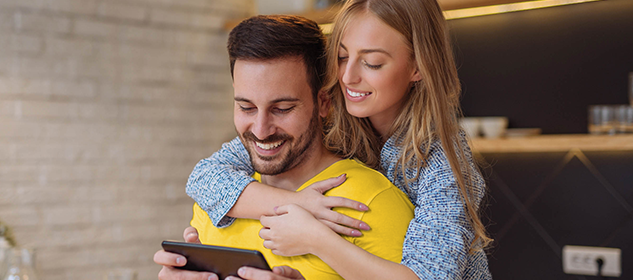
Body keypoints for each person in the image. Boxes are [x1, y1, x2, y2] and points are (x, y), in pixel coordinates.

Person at [185, 0, 493, 279]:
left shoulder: (441, 161)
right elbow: (205, 177)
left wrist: (315, 237)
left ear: (418, 67)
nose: (347, 78)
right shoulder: (329, 118)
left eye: (372, 62)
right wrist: (296, 203)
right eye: (343, 57)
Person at [155, 15, 415, 280]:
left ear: (323, 102)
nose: (260, 130)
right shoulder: (220, 201)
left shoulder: (371, 203)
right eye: (246, 107)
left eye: (282, 109)